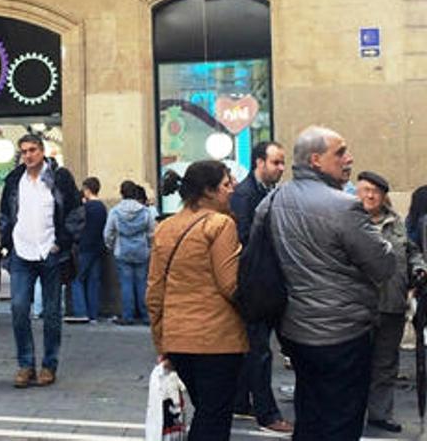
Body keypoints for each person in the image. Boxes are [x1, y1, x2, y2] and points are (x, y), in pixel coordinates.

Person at [253, 126, 395, 439]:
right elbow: (384, 264)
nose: (349, 158)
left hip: (294, 332)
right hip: (343, 333)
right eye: (340, 152)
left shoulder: (273, 200)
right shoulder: (344, 206)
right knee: (341, 422)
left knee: (310, 415)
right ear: (316, 160)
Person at [146, 160, 245, 440]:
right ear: (208, 191)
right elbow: (230, 285)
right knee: (214, 416)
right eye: (226, 185)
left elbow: (154, 291)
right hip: (218, 339)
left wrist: (162, 340)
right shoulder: (220, 224)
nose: (231, 190)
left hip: (178, 339)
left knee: (204, 410)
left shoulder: (165, 227)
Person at [0, 134, 79, 388]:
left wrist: (63, 243)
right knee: (19, 308)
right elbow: (6, 214)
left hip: (50, 252)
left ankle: (49, 365)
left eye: (32, 150)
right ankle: (25, 365)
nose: (28, 155)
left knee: (52, 312)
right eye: (23, 151)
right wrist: (7, 243)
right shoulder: (14, 180)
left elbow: (75, 213)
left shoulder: (60, 177)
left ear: (43, 151)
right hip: (22, 252)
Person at [229, 141, 293, 434]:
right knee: (259, 351)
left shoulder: (269, 192)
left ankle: (241, 401)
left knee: (254, 348)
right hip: (256, 285)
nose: (281, 168)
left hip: (266, 283)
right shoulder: (245, 196)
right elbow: (243, 243)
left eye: (282, 162)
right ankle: (267, 414)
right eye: (276, 162)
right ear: (259, 162)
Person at [355, 171, 426, 433]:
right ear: (357, 192)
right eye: (365, 190)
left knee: (385, 364)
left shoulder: (395, 222)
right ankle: (351, 412)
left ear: (384, 196)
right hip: (357, 308)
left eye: (376, 191)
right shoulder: (349, 222)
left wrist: (418, 268)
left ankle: (379, 413)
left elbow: (411, 251)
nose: (370, 196)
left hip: (392, 305)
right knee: (355, 363)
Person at [103, 180, 155, 326]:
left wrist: (111, 245)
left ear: (122, 193)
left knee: (126, 284)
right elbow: (151, 232)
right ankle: (145, 315)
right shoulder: (145, 212)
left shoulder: (115, 211)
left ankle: (128, 316)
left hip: (123, 250)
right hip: (141, 250)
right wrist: (149, 246)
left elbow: (108, 233)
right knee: (142, 283)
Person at [68, 177, 106, 323]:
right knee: (93, 281)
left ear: (87, 190)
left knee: (78, 279)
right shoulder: (102, 207)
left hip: (84, 247)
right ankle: (93, 314)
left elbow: (74, 225)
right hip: (98, 246)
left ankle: (81, 311)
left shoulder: (86, 208)